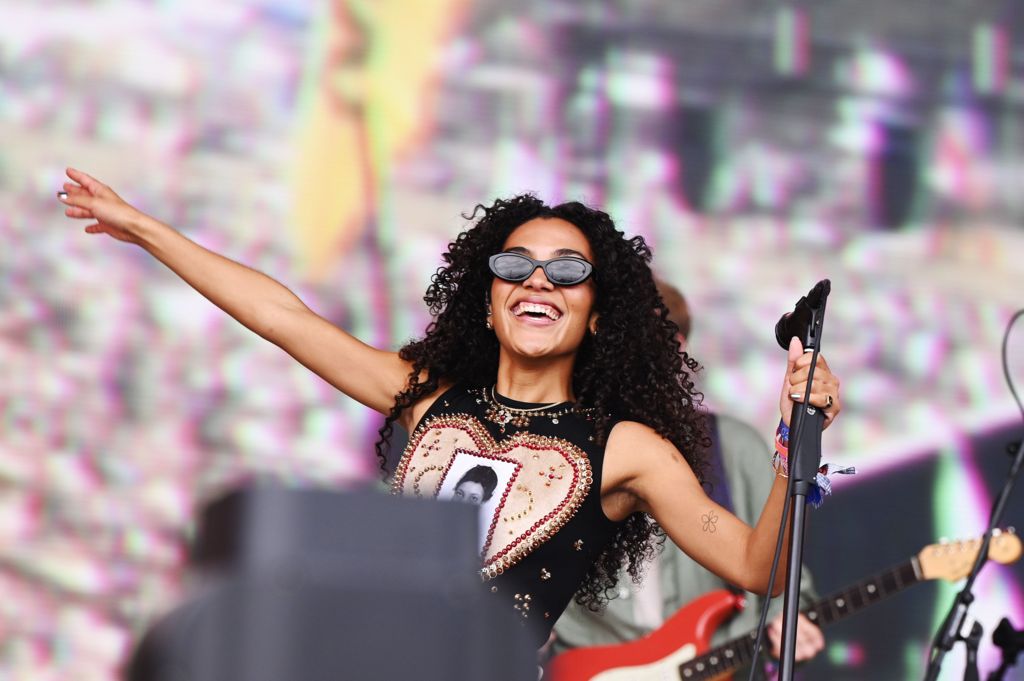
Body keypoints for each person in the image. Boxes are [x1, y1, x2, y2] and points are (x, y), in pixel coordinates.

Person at [57, 169, 842, 651]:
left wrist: (794, 442)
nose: (539, 281)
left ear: (599, 314)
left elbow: (754, 564)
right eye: (516, 265)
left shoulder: (625, 448)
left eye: (567, 270)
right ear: (489, 299)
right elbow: (283, 317)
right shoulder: (428, 393)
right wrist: (145, 229)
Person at [551, 279, 825, 676]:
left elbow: (784, 585)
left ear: (675, 346)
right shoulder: (551, 452)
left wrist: (788, 621)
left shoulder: (733, 447)